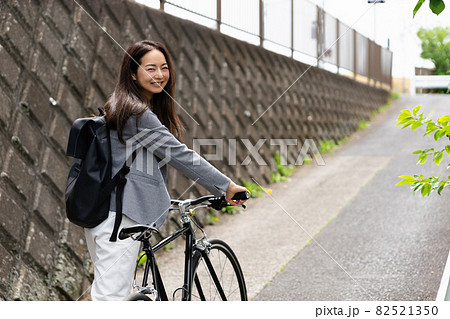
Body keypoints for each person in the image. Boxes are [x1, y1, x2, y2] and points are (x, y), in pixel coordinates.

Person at [83, 40, 249, 301]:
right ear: (132, 73)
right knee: (111, 299)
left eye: (164, 67)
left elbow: (133, 167)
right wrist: (227, 186)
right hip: (119, 220)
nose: (159, 75)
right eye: (150, 68)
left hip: (106, 215)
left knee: (119, 295)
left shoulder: (122, 106)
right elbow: (181, 156)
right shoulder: (137, 114)